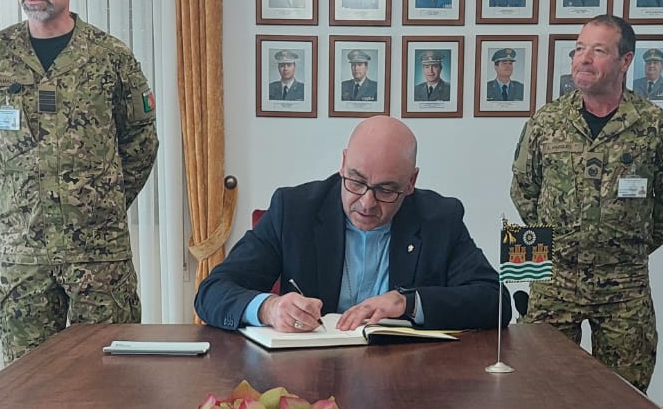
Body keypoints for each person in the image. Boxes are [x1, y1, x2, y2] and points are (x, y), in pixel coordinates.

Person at [0, 0, 158, 363]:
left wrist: (98, 202)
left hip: (99, 255)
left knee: (108, 377)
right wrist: (24, 199)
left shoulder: (110, 58)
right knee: (26, 383)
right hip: (25, 255)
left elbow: (141, 141)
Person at [510, 14, 663, 392]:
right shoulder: (547, 122)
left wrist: (631, 243)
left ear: (625, 61)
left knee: (625, 397)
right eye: (579, 49)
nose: (584, 59)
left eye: (598, 50)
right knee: (538, 391)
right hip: (554, 279)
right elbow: (524, 188)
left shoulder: (654, 127)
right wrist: (560, 241)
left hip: (623, 286)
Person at [194, 115, 510, 333]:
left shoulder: (439, 218)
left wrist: (408, 302)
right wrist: (269, 309)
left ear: (411, 182)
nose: (367, 202)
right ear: (343, 164)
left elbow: (495, 301)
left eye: (386, 190)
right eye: (356, 182)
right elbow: (212, 292)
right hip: (310, 379)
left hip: (406, 382)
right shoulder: (295, 210)